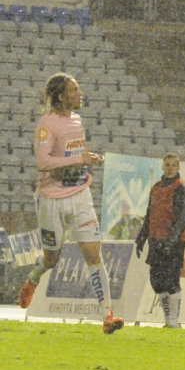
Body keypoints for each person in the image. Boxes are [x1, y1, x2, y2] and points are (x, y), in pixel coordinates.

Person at [18, 72, 124, 334]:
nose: (80, 94)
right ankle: (33, 278)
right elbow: (43, 163)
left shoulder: (77, 120)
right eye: (75, 90)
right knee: (52, 259)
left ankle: (107, 316)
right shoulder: (47, 124)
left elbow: (73, 156)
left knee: (93, 256)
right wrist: (78, 161)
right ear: (62, 96)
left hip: (80, 196)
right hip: (52, 200)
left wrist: (87, 159)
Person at [135, 153, 185, 328]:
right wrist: (142, 236)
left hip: (172, 242)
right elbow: (150, 214)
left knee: (171, 280)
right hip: (155, 240)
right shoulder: (157, 187)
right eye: (167, 164)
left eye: (173, 165)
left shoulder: (182, 188)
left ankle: (173, 320)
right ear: (162, 166)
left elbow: (182, 218)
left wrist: (171, 241)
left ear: (178, 168)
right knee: (156, 281)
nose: (169, 168)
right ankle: (168, 318)